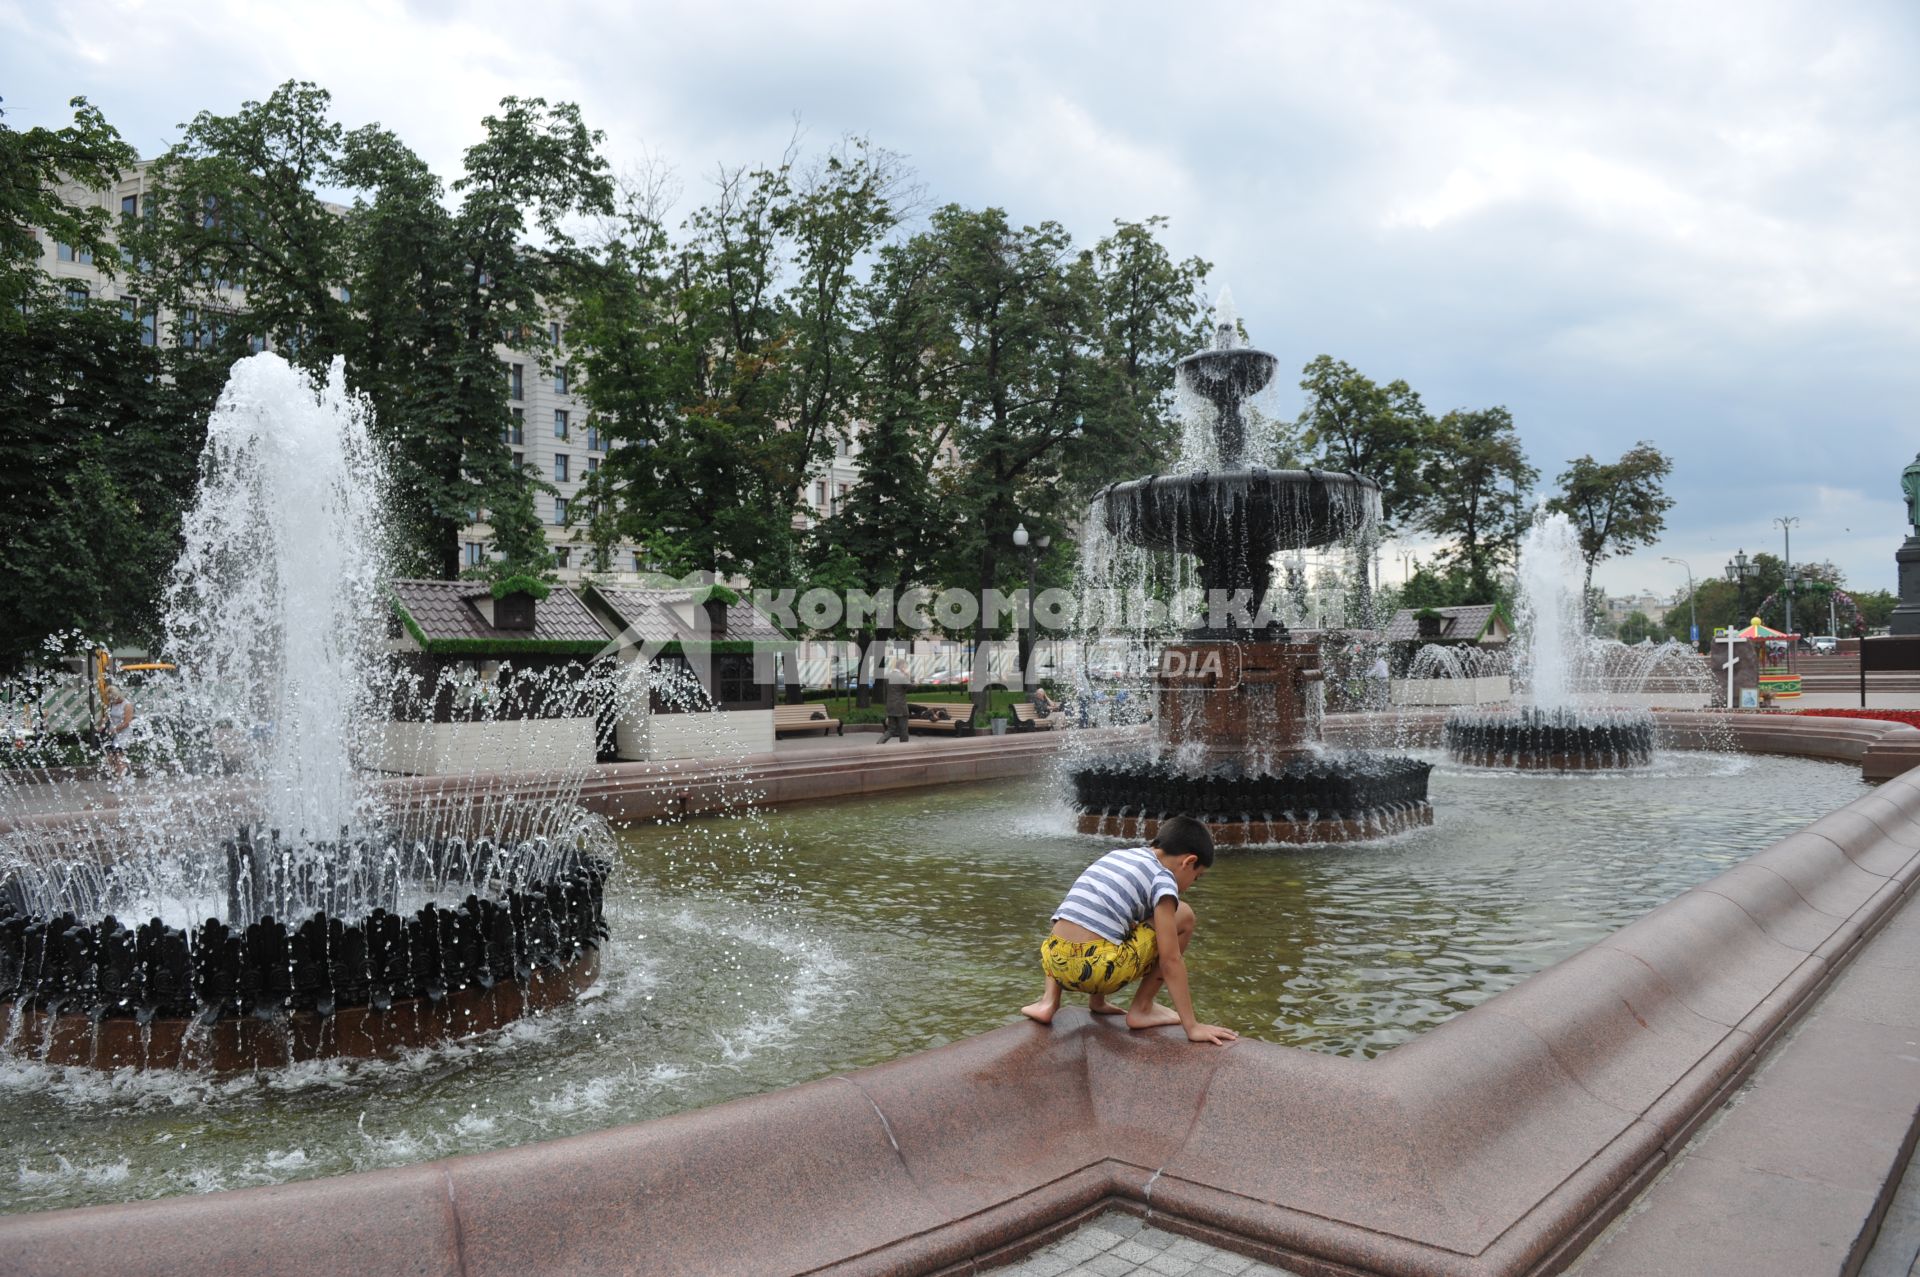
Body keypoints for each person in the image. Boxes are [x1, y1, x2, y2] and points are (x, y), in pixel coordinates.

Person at [1020, 815, 1237, 1046]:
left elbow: (1092, 914)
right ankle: (1142, 1008)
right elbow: (1170, 960)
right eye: (1196, 876)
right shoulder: (1163, 879)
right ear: (1188, 861)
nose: (1191, 884)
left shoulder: (1119, 856)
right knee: (1184, 916)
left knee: (1097, 915)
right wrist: (1192, 1026)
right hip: (1097, 970)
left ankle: (1049, 1002)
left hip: (1053, 961)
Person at [100, 685, 133, 778]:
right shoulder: (111, 704)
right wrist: (102, 725)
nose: (111, 700)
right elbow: (106, 716)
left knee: (118, 757)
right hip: (113, 734)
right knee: (110, 758)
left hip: (124, 734)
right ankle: (124, 771)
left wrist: (115, 729)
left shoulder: (127, 705)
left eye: (112, 698)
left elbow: (127, 722)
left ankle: (120, 781)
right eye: (109, 698)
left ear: (117, 695)